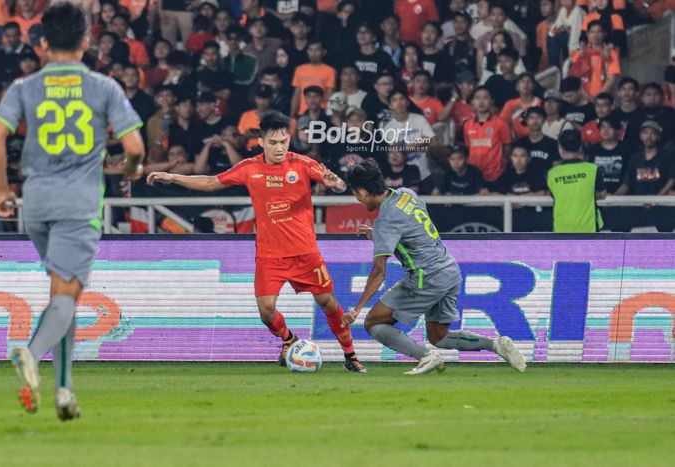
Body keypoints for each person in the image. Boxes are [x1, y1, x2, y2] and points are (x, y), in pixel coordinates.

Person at [0, 2, 144, 420]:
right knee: (68, 293)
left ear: (42, 44)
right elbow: (134, 148)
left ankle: (64, 390)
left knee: (63, 296)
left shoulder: (23, 86)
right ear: (87, 41)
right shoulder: (104, 86)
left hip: (35, 203)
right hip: (78, 203)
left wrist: (3, 190)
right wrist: (129, 169)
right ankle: (31, 354)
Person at [146, 111, 367, 372]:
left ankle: (350, 355)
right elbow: (210, 182)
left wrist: (336, 183)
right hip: (270, 255)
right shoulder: (249, 168)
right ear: (261, 142)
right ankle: (290, 340)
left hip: (305, 253)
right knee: (266, 311)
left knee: (328, 303)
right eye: (273, 143)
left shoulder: (303, 164)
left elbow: (339, 185)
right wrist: (173, 177)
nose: (279, 148)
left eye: (283, 142)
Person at [343, 159, 526, 375]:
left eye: (356, 194)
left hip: (425, 278)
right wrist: (377, 235)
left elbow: (378, 272)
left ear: (363, 191)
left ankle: (426, 357)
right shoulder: (407, 194)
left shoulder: (385, 221)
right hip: (449, 269)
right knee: (439, 336)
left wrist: (357, 308)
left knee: (373, 322)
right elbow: (411, 229)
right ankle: (496, 345)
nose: (358, 200)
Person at [547, 129, 606, 232]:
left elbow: (554, 195)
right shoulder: (593, 169)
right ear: (580, 147)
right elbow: (602, 194)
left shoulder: (552, 173)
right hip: (589, 228)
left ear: (560, 149)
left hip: (561, 228)